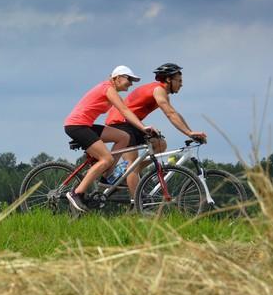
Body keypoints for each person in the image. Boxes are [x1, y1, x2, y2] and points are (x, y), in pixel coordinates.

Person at [64, 65, 159, 212]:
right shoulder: (107, 88)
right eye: (129, 79)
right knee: (106, 159)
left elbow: (124, 111)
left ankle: (107, 176)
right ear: (117, 78)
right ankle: (76, 193)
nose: (131, 83)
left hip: (85, 125)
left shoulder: (111, 91)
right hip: (77, 126)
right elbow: (124, 110)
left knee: (124, 137)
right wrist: (143, 128)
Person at [104, 62, 208, 197]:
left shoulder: (161, 92)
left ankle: (126, 175)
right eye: (179, 81)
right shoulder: (158, 90)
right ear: (169, 79)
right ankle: (138, 202)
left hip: (131, 123)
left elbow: (174, 113)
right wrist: (189, 133)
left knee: (160, 144)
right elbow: (170, 114)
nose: (181, 84)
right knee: (132, 164)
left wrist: (190, 132)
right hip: (120, 122)